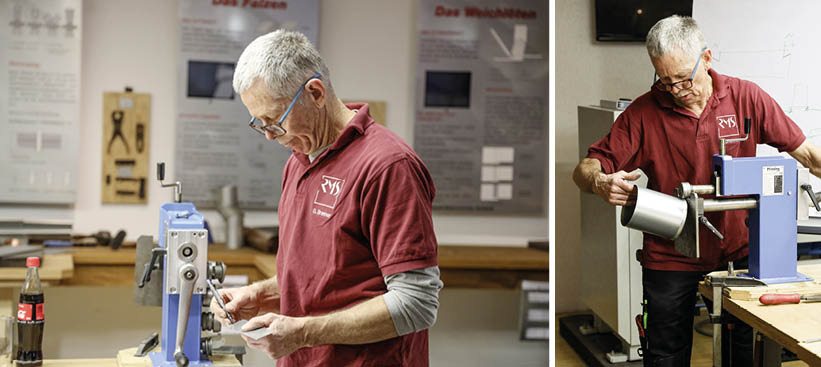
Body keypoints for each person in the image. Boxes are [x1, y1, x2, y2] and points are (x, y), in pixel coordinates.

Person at [573, 15, 821, 366]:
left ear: (706, 58)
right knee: (665, 356)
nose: (675, 90)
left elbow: (808, 154)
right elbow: (585, 168)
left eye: (683, 79)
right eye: (665, 81)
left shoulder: (746, 97)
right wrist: (600, 182)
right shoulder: (644, 112)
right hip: (671, 257)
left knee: (744, 356)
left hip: (739, 256)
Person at [210, 30, 443, 366]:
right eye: (259, 125)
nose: (271, 137)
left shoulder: (388, 166)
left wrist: (303, 333)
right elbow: (323, 275)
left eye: (275, 122)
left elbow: (417, 303)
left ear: (315, 93)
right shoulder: (298, 161)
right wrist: (261, 295)